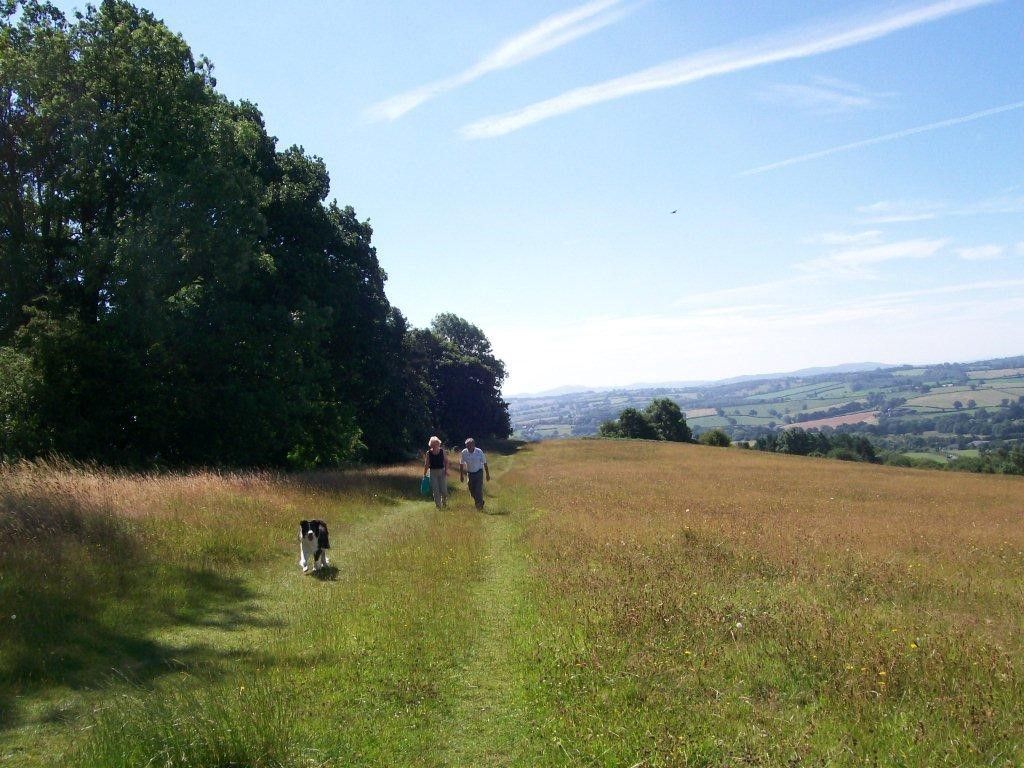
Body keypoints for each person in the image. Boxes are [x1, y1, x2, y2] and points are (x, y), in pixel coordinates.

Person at [459, 437, 490, 510]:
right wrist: (461, 476)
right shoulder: (464, 452)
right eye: (466, 446)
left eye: (469, 446)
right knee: (471, 491)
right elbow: (461, 464)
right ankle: (480, 502)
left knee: (478, 490)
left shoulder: (479, 452)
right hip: (470, 473)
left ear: (473, 445)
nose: (468, 447)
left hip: (479, 473)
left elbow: (485, 463)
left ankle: (479, 506)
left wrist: (487, 474)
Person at [423, 436, 449, 509]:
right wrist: (425, 474)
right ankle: (438, 506)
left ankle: (444, 503)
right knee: (435, 490)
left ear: (438, 444)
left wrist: (446, 471)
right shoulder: (428, 453)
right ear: (430, 445)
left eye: (435, 444)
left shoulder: (442, 451)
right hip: (432, 472)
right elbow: (426, 464)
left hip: (442, 472)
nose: (434, 446)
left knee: (444, 490)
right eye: (432, 444)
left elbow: (446, 461)